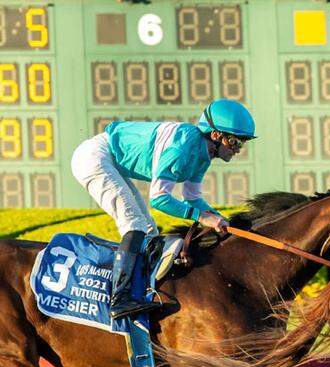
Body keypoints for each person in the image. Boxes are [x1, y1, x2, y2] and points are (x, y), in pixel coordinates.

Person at [70, 99, 255, 319]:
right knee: (135, 225)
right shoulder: (182, 147)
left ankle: (141, 292)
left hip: (108, 160)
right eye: (234, 142)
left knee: (149, 232)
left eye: (241, 143)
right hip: (94, 158)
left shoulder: (203, 154)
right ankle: (119, 300)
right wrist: (202, 218)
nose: (237, 149)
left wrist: (221, 219)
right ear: (215, 135)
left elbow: (192, 198)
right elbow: (158, 199)